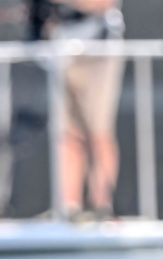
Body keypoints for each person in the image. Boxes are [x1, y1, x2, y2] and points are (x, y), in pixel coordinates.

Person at [29, 0, 125, 220]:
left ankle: (102, 206)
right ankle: (69, 208)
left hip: (99, 51)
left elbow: (104, 3)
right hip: (62, 52)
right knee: (68, 135)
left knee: (99, 132)